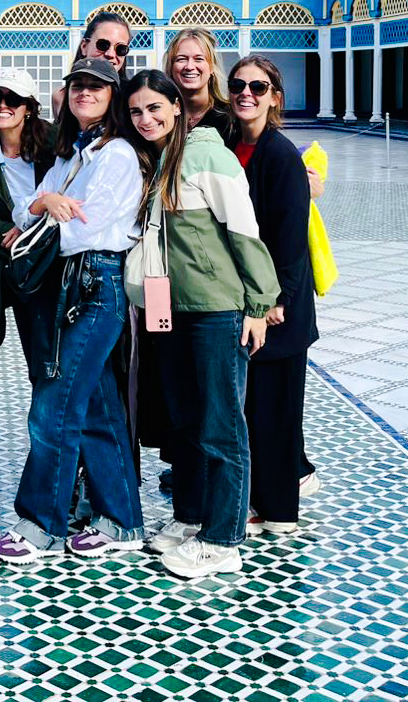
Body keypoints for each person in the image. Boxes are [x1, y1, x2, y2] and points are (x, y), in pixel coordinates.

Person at [0, 58, 148, 564]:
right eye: (77, 85)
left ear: (113, 96)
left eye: (96, 87)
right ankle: (121, 520)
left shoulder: (117, 154)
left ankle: (40, 522)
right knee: (98, 407)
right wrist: (43, 206)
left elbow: (85, 226)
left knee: (54, 405)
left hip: (94, 283)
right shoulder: (73, 153)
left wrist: (46, 215)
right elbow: (28, 207)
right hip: (73, 281)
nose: (84, 92)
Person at [124, 69, 278, 579]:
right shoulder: (155, 160)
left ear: (175, 106)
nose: (145, 119)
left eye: (154, 108)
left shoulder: (208, 154)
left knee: (221, 423)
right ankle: (190, 515)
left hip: (215, 308)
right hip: (170, 309)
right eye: (136, 112)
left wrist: (258, 304)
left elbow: (245, 232)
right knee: (184, 420)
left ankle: (224, 536)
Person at [227, 55, 319, 541]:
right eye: (239, 85)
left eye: (258, 87)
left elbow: (288, 239)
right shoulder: (231, 145)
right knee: (253, 407)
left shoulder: (281, 155)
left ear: (275, 97)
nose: (247, 94)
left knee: (277, 411)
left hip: (277, 306)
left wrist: (271, 303)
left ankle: (279, 509)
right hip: (249, 298)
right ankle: (257, 500)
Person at [0, 68, 55, 369]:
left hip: (59, 259)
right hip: (19, 265)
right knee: (36, 357)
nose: (2, 105)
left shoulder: (54, 146)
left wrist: (30, 227)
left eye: (13, 99)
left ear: (29, 107)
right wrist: (6, 230)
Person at [50, 11, 133, 115]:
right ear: (84, 47)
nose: (110, 54)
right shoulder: (61, 97)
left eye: (121, 49)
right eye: (103, 45)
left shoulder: (132, 97)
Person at [164, 28, 233, 139]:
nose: (190, 67)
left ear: (211, 67)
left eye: (199, 59)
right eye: (181, 59)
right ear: (171, 67)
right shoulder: (162, 116)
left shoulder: (229, 118)